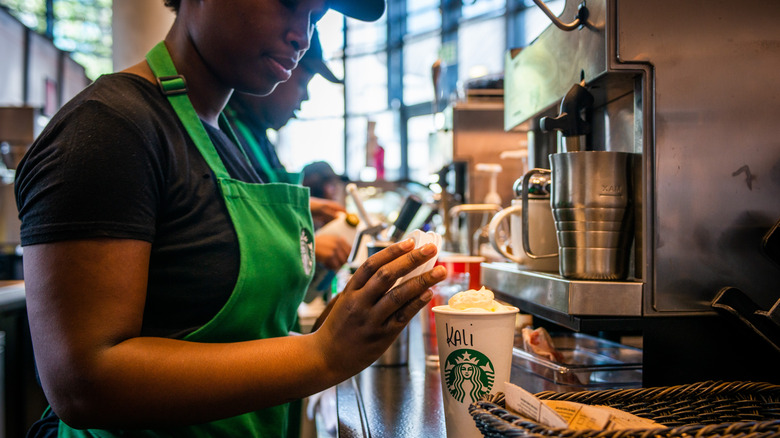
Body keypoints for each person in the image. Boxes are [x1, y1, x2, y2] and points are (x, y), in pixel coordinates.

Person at [15, 0, 445, 437]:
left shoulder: (223, 138)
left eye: (315, 17)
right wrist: (322, 354)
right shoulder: (109, 127)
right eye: (289, 4)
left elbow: (220, 338)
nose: (303, 35)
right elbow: (83, 384)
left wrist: (342, 329)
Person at [225, 29, 350, 272]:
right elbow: (229, 234)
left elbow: (262, 199)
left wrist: (310, 206)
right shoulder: (225, 133)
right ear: (273, 69)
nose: (306, 98)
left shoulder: (257, 136)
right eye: (303, 82)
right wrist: (302, 247)